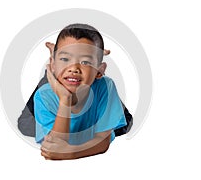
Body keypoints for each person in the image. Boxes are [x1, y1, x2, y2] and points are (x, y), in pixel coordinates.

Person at [32, 23, 129, 160]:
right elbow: (54, 148)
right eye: (65, 59)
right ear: (52, 64)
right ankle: (66, 56)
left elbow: (102, 142)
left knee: (126, 123)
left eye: (85, 62)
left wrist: (71, 152)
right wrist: (65, 99)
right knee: (25, 120)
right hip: (60, 85)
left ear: (100, 71)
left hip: (96, 96)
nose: (74, 68)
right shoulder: (43, 96)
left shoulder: (105, 85)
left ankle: (80, 57)